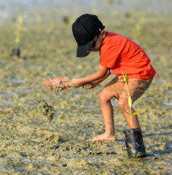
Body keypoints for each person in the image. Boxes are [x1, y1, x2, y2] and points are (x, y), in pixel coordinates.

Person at [43, 14, 156, 146]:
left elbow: (101, 72)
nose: (91, 50)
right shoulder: (105, 42)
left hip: (140, 74)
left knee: (123, 103)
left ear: (101, 33)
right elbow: (109, 69)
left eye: (91, 45)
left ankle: (137, 143)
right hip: (126, 73)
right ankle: (109, 134)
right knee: (103, 96)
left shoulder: (110, 45)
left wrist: (78, 81)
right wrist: (96, 83)